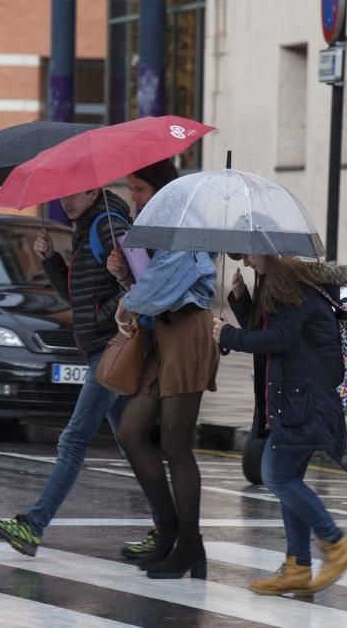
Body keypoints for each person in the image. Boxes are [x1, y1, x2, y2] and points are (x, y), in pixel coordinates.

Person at [0, 186, 151, 557]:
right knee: (132, 444)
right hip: (99, 349)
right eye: (62, 195)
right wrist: (50, 260)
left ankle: (33, 525)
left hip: (110, 350)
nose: (64, 201)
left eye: (74, 194)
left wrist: (98, 318)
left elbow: (140, 283)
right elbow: (77, 296)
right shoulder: (86, 226)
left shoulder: (108, 225)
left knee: (73, 441)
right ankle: (170, 527)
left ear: (93, 191)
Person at [212, 255, 347, 596]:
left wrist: (228, 335)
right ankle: (298, 566)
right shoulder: (288, 287)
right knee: (288, 480)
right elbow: (270, 332)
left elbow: (277, 339)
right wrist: (241, 299)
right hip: (299, 400)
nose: (246, 261)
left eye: (250, 253)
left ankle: (337, 545)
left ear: (270, 250)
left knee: (276, 476)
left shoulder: (294, 289)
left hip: (303, 404)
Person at [107, 159, 220, 580]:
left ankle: (189, 544)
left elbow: (160, 287)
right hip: (162, 335)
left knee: (175, 447)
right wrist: (124, 278)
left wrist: (128, 299)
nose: (133, 197)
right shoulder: (152, 227)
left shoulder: (182, 226)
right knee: (131, 431)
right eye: (131, 189)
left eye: (138, 188)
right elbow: (149, 288)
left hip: (188, 332)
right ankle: (173, 531)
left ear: (160, 187)